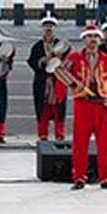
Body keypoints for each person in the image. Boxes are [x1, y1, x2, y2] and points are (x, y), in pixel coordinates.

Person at [64, 24, 107, 190]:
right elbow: (60, 71)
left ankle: (106, 178)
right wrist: (76, 86)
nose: (93, 40)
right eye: (89, 37)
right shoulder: (74, 57)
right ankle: (79, 177)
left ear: (100, 39)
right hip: (83, 104)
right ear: (84, 39)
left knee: (104, 144)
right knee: (80, 142)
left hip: (102, 106)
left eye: (96, 37)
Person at [29, 11, 68, 141]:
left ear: (55, 27)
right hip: (42, 81)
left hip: (58, 81)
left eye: (51, 25)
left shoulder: (62, 46)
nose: (49, 28)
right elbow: (32, 61)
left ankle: (59, 134)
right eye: (46, 25)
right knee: (42, 108)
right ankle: (43, 134)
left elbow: (70, 62)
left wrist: (60, 62)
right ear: (43, 28)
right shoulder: (37, 46)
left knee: (59, 110)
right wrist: (42, 63)